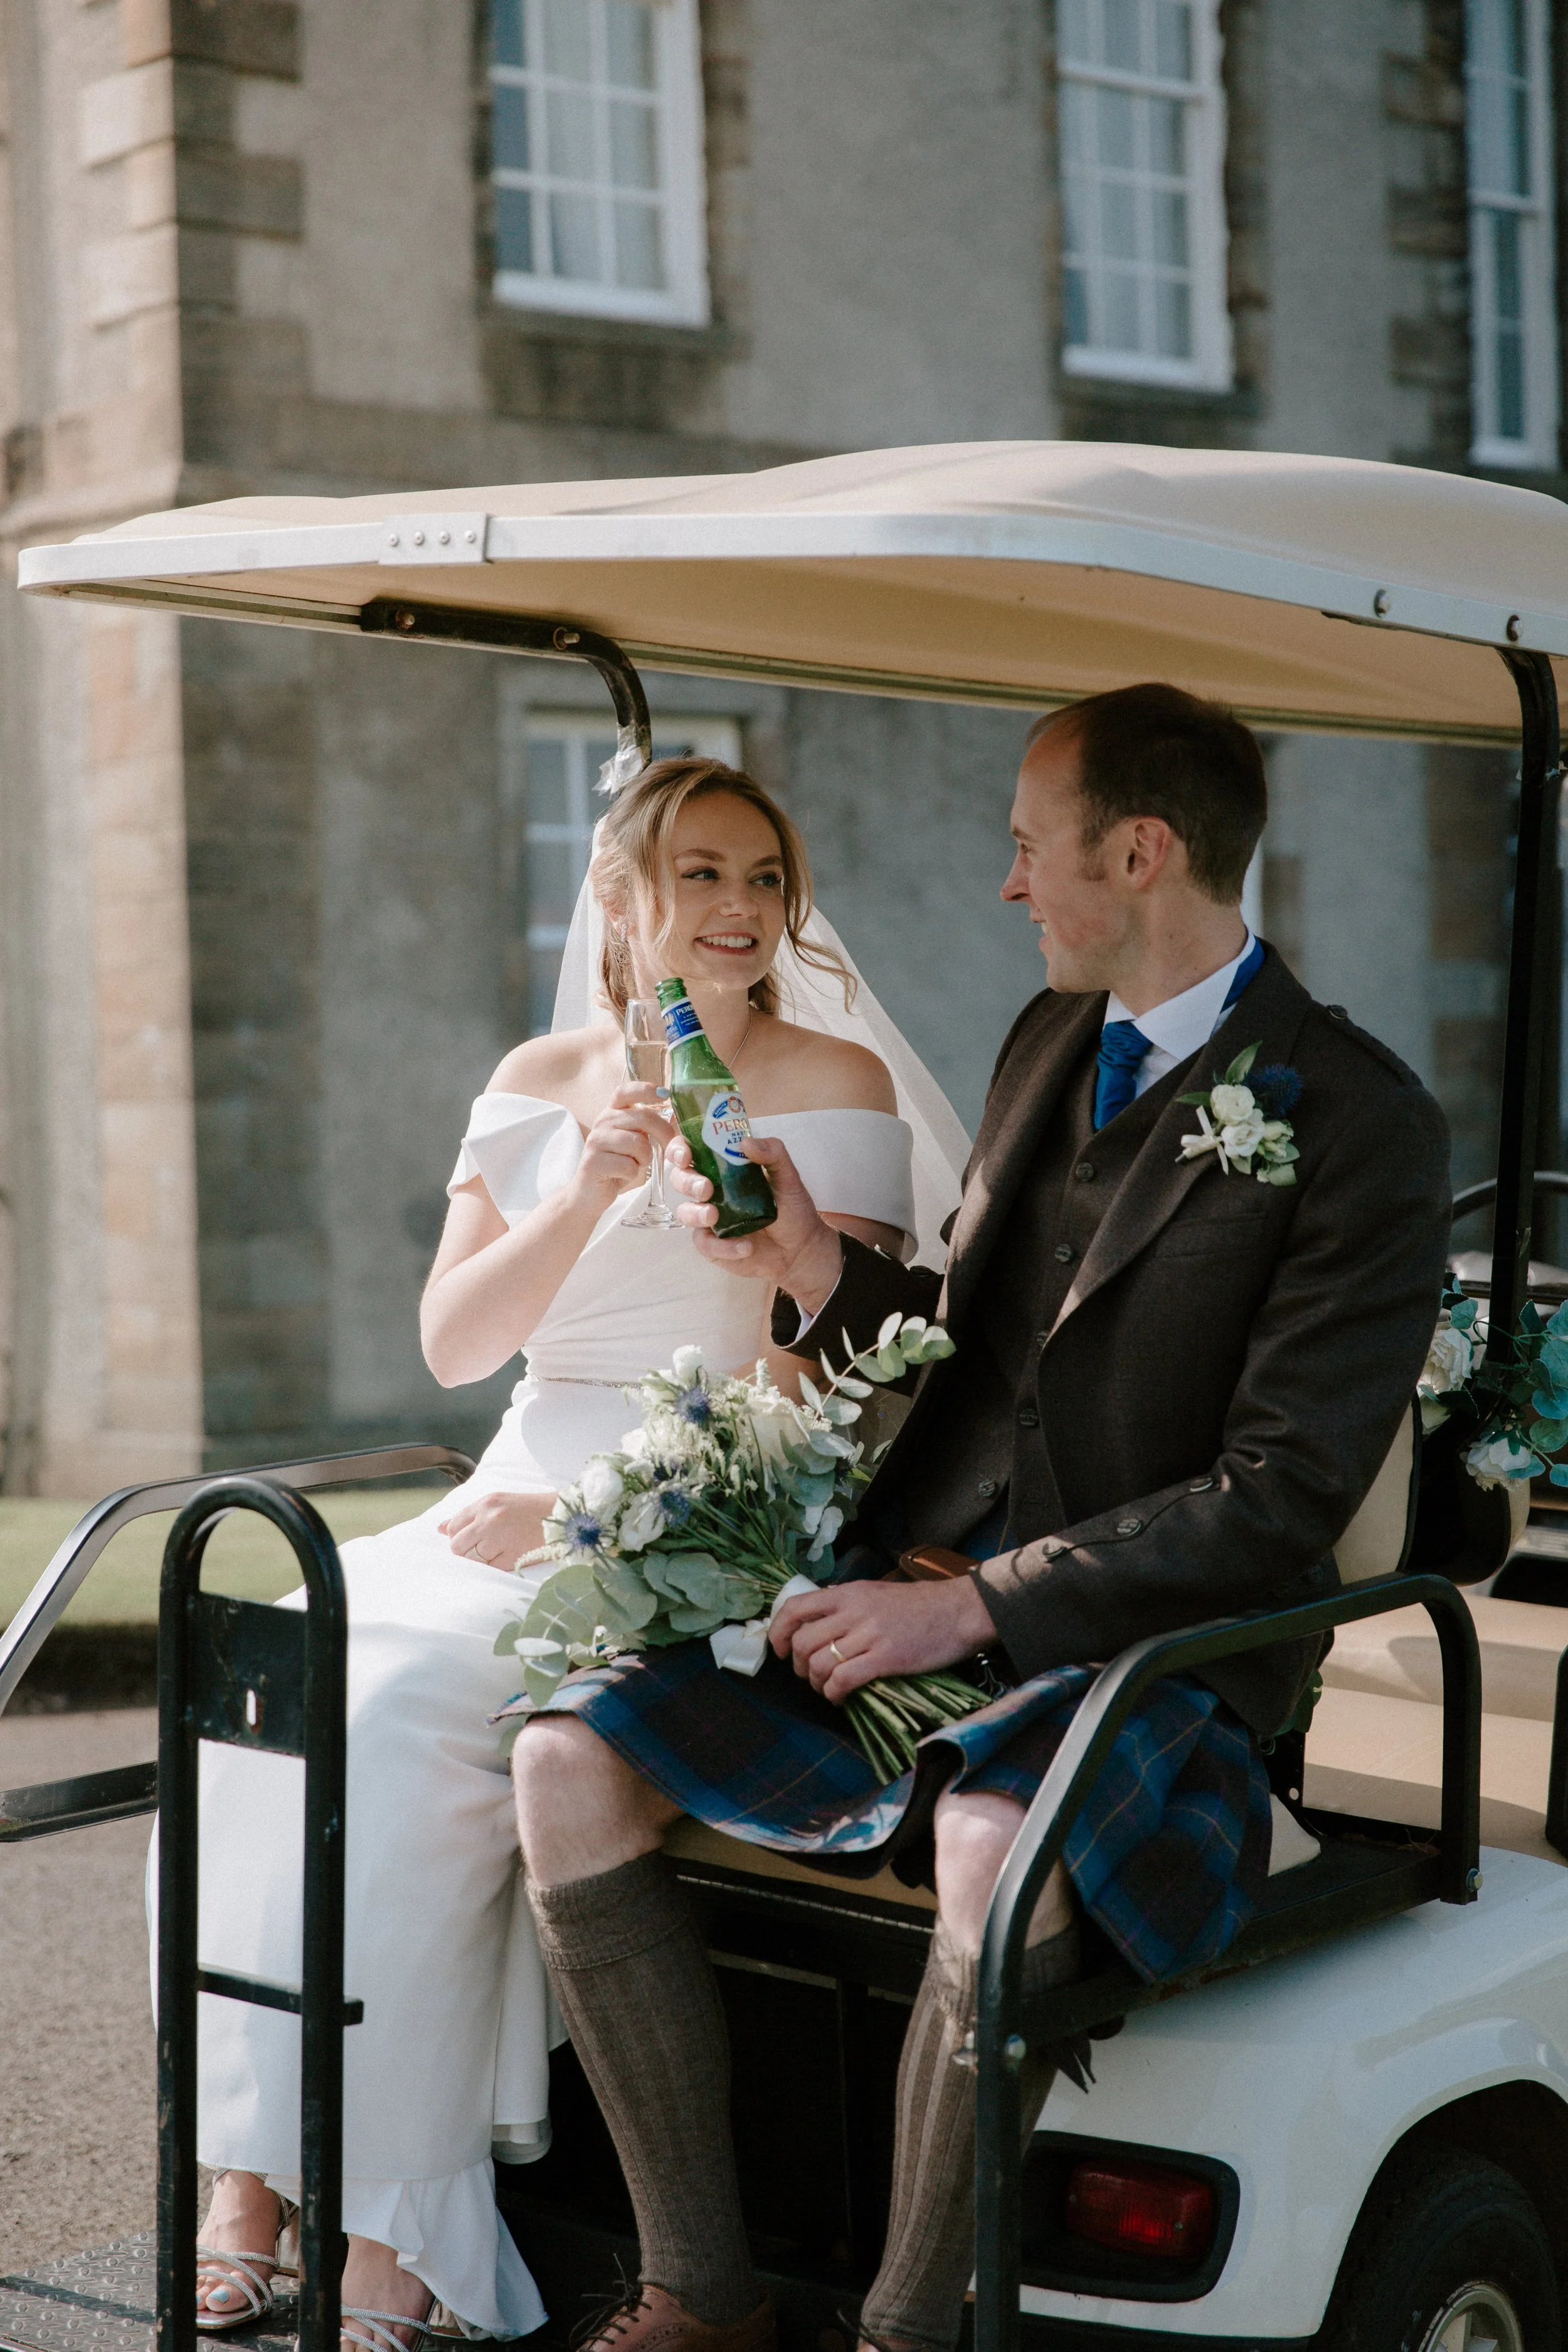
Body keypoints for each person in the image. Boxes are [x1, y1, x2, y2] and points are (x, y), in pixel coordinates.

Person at [511, 683, 1453, 2352]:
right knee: (563, 1760)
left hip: (1154, 1646)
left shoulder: (1357, 1116)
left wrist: (974, 1606)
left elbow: (1283, 1491)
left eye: (1031, 845)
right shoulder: (1044, 1042)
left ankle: (902, 2329)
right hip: (914, 1584)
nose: (1008, 883)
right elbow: (962, 1342)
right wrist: (811, 1261)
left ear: (1141, 850)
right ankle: (700, 2288)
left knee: (984, 1843)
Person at [181, 756, 964, 2351]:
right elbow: (458, 1340)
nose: (739, 910)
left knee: (393, 1716)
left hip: (704, 1509)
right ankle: (248, 2175)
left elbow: (827, 1384)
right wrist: (590, 1183)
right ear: (618, 897)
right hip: (508, 1475)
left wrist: (594, 1519)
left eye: (762, 878)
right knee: (265, 1677)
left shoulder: (836, 1084)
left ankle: (397, 2225)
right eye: (700, 875)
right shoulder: (540, 1076)